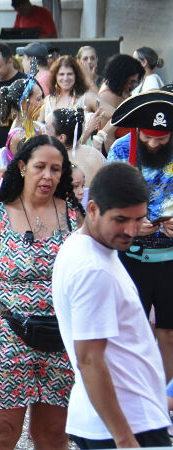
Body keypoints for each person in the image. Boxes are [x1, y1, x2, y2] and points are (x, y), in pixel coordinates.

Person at [0, 135, 82, 449]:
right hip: (6, 336)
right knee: (0, 434)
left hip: (61, 337)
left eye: (56, 169)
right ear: (22, 166)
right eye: (40, 167)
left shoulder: (75, 217)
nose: (48, 176)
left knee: (53, 435)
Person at [53, 162, 172, 448]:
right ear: (92, 209)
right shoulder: (93, 269)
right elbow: (90, 360)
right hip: (125, 425)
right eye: (121, 219)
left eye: (139, 219)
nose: (131, 230)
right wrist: (125, 439)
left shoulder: (88, 247)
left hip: (113, 419)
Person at [107, 89, 173, 382]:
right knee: (129, 332)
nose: (154, 143)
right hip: (131, 256)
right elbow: (108, 201)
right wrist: (129, 225)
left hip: (170, 258)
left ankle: (168, 399)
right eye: (148, 137)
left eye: (162, 138)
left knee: (169, 333)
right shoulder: (121, 150)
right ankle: (131, 395)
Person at [93, 54, 144, 151]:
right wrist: (116, 162)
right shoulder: (108, 95)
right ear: (121, 78)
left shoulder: (120, 89)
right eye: (130, 82)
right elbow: (108, 136)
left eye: (135, 82)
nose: (132, 86)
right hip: (118, 151)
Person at [0, 77, 44, 170]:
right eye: (38, 99)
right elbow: (35, 167)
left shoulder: (34, 125)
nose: (42, 103)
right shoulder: (19, 137)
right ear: (24, 103)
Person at [45, 108, 104, 185]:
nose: (42, 129)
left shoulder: (57, 163)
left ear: (62, 138)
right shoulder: (97, 154)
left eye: (46, 128)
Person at [42, 55, 97, 120]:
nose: (65, 78)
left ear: (76, 75)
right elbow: (36, 126)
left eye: (70, 74)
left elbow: (112, 116)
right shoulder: (47, 101)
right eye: (61, 74)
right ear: (55, 76)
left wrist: (103, 130)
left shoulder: (87, 98)